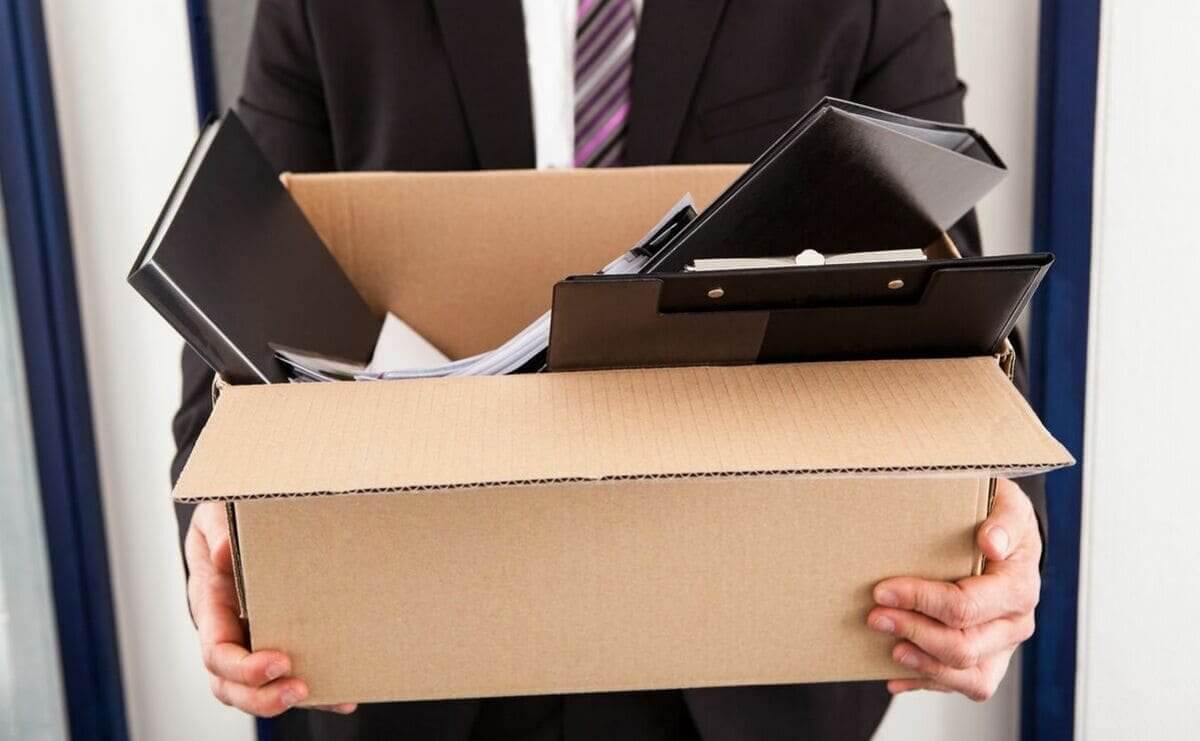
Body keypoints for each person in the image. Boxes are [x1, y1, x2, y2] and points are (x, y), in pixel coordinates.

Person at [173, 1, 1046, 739]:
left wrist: (1001, 524)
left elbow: (949, 301)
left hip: (751, 641)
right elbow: (242, 272)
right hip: (417, 631)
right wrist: (219, 525)